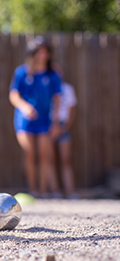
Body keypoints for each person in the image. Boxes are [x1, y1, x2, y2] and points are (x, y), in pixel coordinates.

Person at [9, 36, 62, 199]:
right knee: (29, 153)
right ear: (32, 53)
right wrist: (25, 107)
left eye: (45, 52)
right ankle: (32, 190)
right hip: (24, 121)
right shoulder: (21, 72)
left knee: (44, 155)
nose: (43, 55)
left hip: (45, 121)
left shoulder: (53, 75)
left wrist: (55, 122)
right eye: (39, 51)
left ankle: (43, 190)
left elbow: (58, 99)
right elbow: (14, 95)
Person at [52, 68, 78, 199]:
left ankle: (70, 191)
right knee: (48, 159)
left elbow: (72, 110)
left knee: (65, 160)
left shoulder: (68, 89)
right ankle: (54, 192)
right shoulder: (46, 86)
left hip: (62, 125)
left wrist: (65, 127)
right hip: (47, 126)